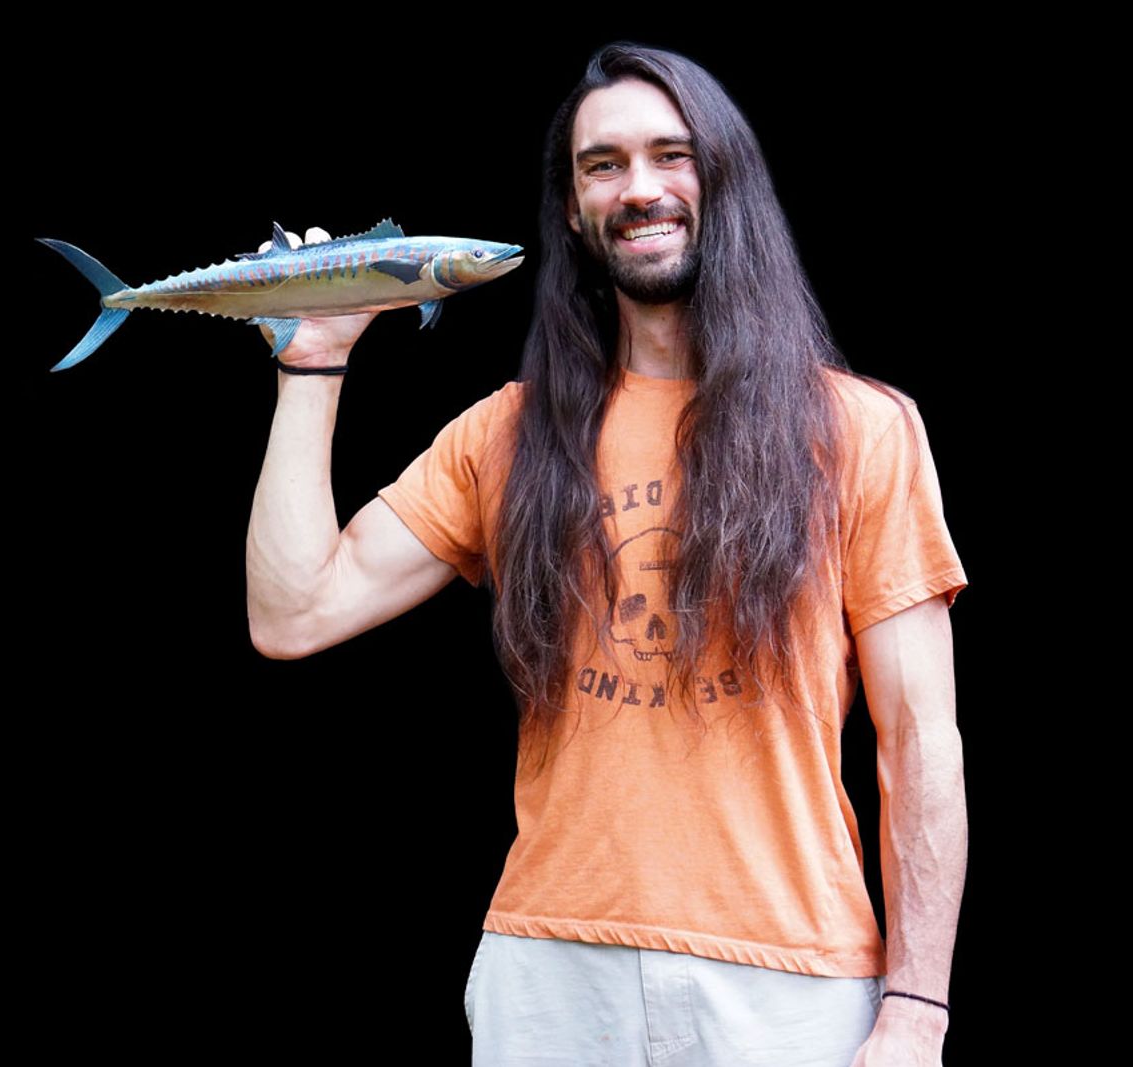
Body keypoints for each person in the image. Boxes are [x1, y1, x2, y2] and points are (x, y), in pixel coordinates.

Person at [245, 42, 966, 1067]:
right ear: (575, 209)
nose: (640, 188)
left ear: (724, 178)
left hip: (793, 979)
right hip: (547, 967)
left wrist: (915, 1007)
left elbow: (920, 741)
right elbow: (292, 611)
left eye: (671, 154)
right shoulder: (509, 434)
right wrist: (311, 366)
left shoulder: (860, 430)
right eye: (602, 164)